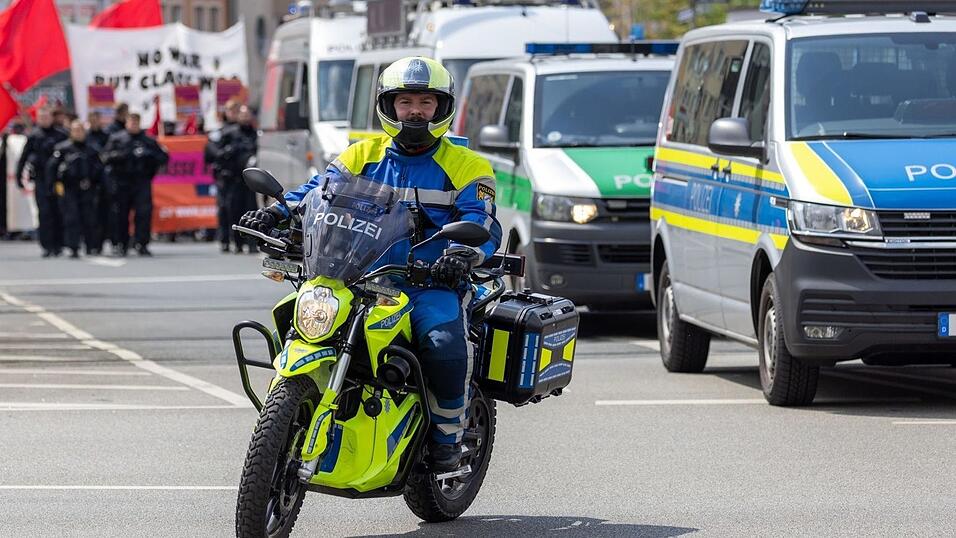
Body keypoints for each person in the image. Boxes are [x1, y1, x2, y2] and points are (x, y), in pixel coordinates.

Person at [241, 57, 501, 471]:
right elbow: (315, 192)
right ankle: (293, 417)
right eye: (406, 101)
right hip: (356, 277)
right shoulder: (360, 154)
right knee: (302, 319)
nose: (415, 110)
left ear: (442, 108)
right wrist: (276, 213)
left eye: (426, 102)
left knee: (443, 345)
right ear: (388, 106)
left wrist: (460, 256)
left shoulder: (468, 166)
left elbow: (481, 222)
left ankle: (447, 441)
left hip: (425, 284)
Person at [101, 113, 169, 256]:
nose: (133, 125)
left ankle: (141, 243)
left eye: (136, 123)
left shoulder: (148, 140)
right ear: (126, 123)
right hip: (122, 181)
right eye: (131, 122)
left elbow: (163, 157)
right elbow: (105, 157)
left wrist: (148, 154)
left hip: (141, 181)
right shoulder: (117, 139)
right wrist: (123, 155)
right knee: (121, 214)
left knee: (143, 214)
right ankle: (122, 244)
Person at [15, 106, 69, 257]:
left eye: (47, 117)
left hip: (58, 181)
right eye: (41, 117)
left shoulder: (62, 134)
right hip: (41, 179)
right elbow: (23, 158)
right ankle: (47, 245)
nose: (45, 120)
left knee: (58, 211)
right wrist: (19, 178)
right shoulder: (34, 136)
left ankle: (59, 244)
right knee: (44, 213)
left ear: (52, 118)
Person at [47, 120, 104, 258]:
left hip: (87, 188)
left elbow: (101, 170)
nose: (78, 133)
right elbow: (51, 168)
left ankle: (91, 246)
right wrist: (53, 187)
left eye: (80, 130)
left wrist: (101, 186)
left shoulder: (92, 149)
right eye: (75, 130)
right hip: (69, 188)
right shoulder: (62, 148)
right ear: (71, 132)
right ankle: (73, 246)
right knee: (72, 218)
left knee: (89, 218)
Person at [207, 105, 258, 253]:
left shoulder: (256, 134)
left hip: (251, 181)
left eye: (247, 115)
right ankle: (236, 242)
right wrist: (226, 154)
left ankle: (252, 242)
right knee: (232, 211)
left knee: (252, 211)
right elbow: (213, 153)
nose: (244, 118)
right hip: (232, 179)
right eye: (241, 115)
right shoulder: (228, 134)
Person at [205, 98, 242, 252]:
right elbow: (210, 151)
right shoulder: (219, 132)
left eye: (236, 111)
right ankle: (225, 240)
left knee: (240, 210)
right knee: (224, 208)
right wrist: (224, 153)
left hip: (241, 177)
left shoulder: (245, 131)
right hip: (224, 176)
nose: (233, 114)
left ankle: (240, 242)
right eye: (230, 111)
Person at [86, 112, 110, 254]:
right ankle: (91, 243)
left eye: (97, 119)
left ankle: (100, 243)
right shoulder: (86, 137)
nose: (94, 122)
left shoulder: (107, 137)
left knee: (103, 214)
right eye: (92, 120)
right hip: (89, 181)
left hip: (103, 181)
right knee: (90, 215)